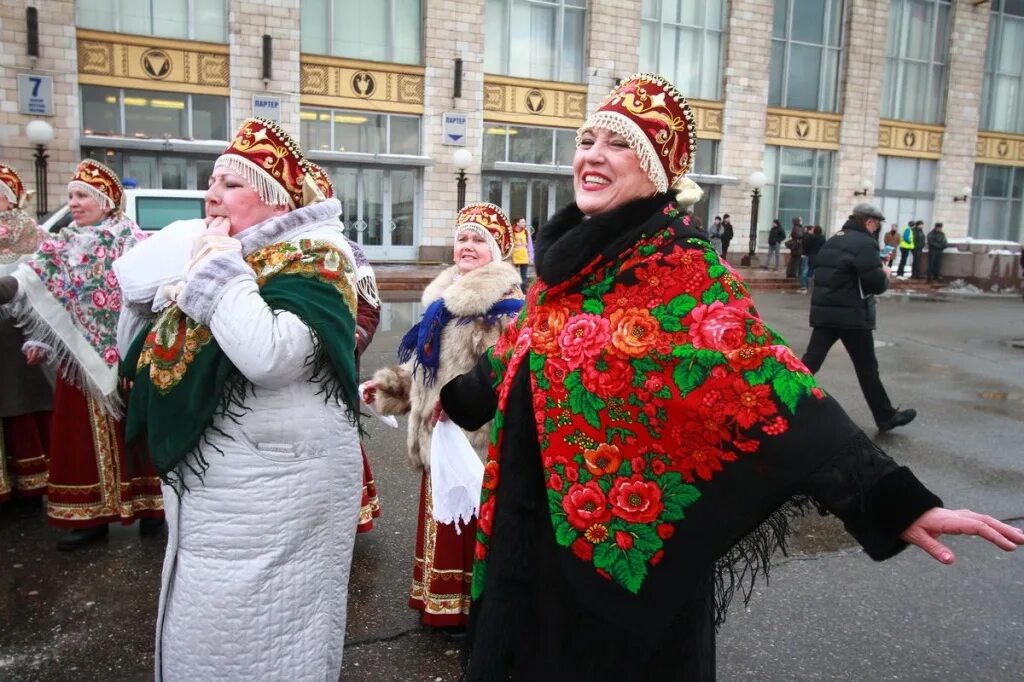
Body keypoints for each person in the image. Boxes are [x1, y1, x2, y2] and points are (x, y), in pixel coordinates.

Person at [437, 73, 1023, 680]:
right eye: (588, 140)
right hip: (525, 546)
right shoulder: (565, 274)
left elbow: (771, 390)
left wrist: (890, 502)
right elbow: (521, 357)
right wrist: (448, 400)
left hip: (619, 567)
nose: (592, 155)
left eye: (618, 144)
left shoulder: (683, 270)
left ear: (656, 170)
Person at [115, 118, 364, 680]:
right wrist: (141, 297)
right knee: (205, 630)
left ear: (274, 197)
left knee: (265, 635)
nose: (211, 194)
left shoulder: (316, 258)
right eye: (213, 181)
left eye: (230, 183)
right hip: (219, 486)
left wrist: (218, 272)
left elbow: (271, 355)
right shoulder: (228, 252)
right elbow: (143, 362)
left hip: (280, 483)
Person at [362, 202, 524, 631]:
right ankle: (443, 602)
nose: (468, 247)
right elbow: (425, 369)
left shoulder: (502, 309)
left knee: (469, 523)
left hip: (473, 444)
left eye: (480, 241)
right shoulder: (446, 304)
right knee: (444, 519)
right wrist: (387, 387)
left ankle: (471, 610)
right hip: (441, 437)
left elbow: (504, 381)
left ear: (499, 252)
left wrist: (461, 407)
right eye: (463, 238)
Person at [0, 159, 163, 550]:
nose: (73, 203)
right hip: (80, 363)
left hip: (128, 359)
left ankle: (150, 507)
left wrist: (137, 350)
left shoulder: (134, 242)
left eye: (82, 196)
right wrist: (42, 339)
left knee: (137, 433)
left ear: (106, 202)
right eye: (70, 195)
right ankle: (90, 517)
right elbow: (31, 282)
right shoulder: (63, 243)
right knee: (79, 439)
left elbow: (150, 298)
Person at [305, 160, 382, 533]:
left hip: (331, 368)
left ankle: (341, 519)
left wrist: (348, 340)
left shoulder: (348, 251)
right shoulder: (268, 246)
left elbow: (369, 308)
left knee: (334, 446)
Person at [801, 203, 917, 432]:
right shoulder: (865, 243)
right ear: (869, 222)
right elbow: (873, 282)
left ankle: (776, 400)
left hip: (826, 313)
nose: (878, 229)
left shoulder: (835, 238)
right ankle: (885, 417)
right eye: (877, 225)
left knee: (809, 363)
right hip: (852, 316)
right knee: (867, 369)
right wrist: (884, 275)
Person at [0, 163, 51, 513]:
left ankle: (31, 485)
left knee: (19, 403)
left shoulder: (32, 235)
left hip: (17, 333)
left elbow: (43, 286)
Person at [799, 225, 825, 292]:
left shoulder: (811, 238)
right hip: (820, 256)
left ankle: (809, 287)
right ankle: (817, 287)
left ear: (814, 231)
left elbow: (807, 247)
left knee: (809, 271)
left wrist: (806, 254)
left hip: (811, 256)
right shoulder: (823, 238)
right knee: (818, 271)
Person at [510, 216, 534, 289]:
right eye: (522, 222)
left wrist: (531, 256)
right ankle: (514, 290)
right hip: (514, 256)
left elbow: (530, 244)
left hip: (524, 255)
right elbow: (509, 243)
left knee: (524, 275)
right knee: (513, 274)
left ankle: (523, 292)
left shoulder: (526, 231)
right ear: (517, 223)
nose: (524, 223)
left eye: (524, 222)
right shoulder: (511, 231)